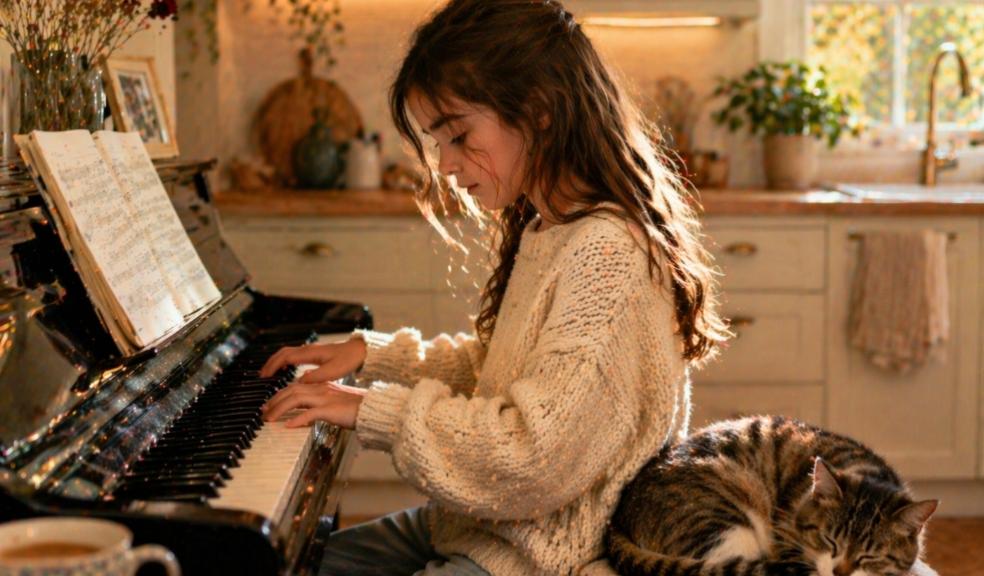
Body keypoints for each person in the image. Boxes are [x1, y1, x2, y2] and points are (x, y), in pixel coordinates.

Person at [259, 0, 729, 573]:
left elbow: (532, 454)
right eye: (438, 143)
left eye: (458, 136)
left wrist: (369, 409)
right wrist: (372, 355)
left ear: (540, 112)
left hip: (540, 556)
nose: (446, 165)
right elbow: (499, 373)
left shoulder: (608, 253)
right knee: (282, 563)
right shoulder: (552, 227)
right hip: (484, 527)